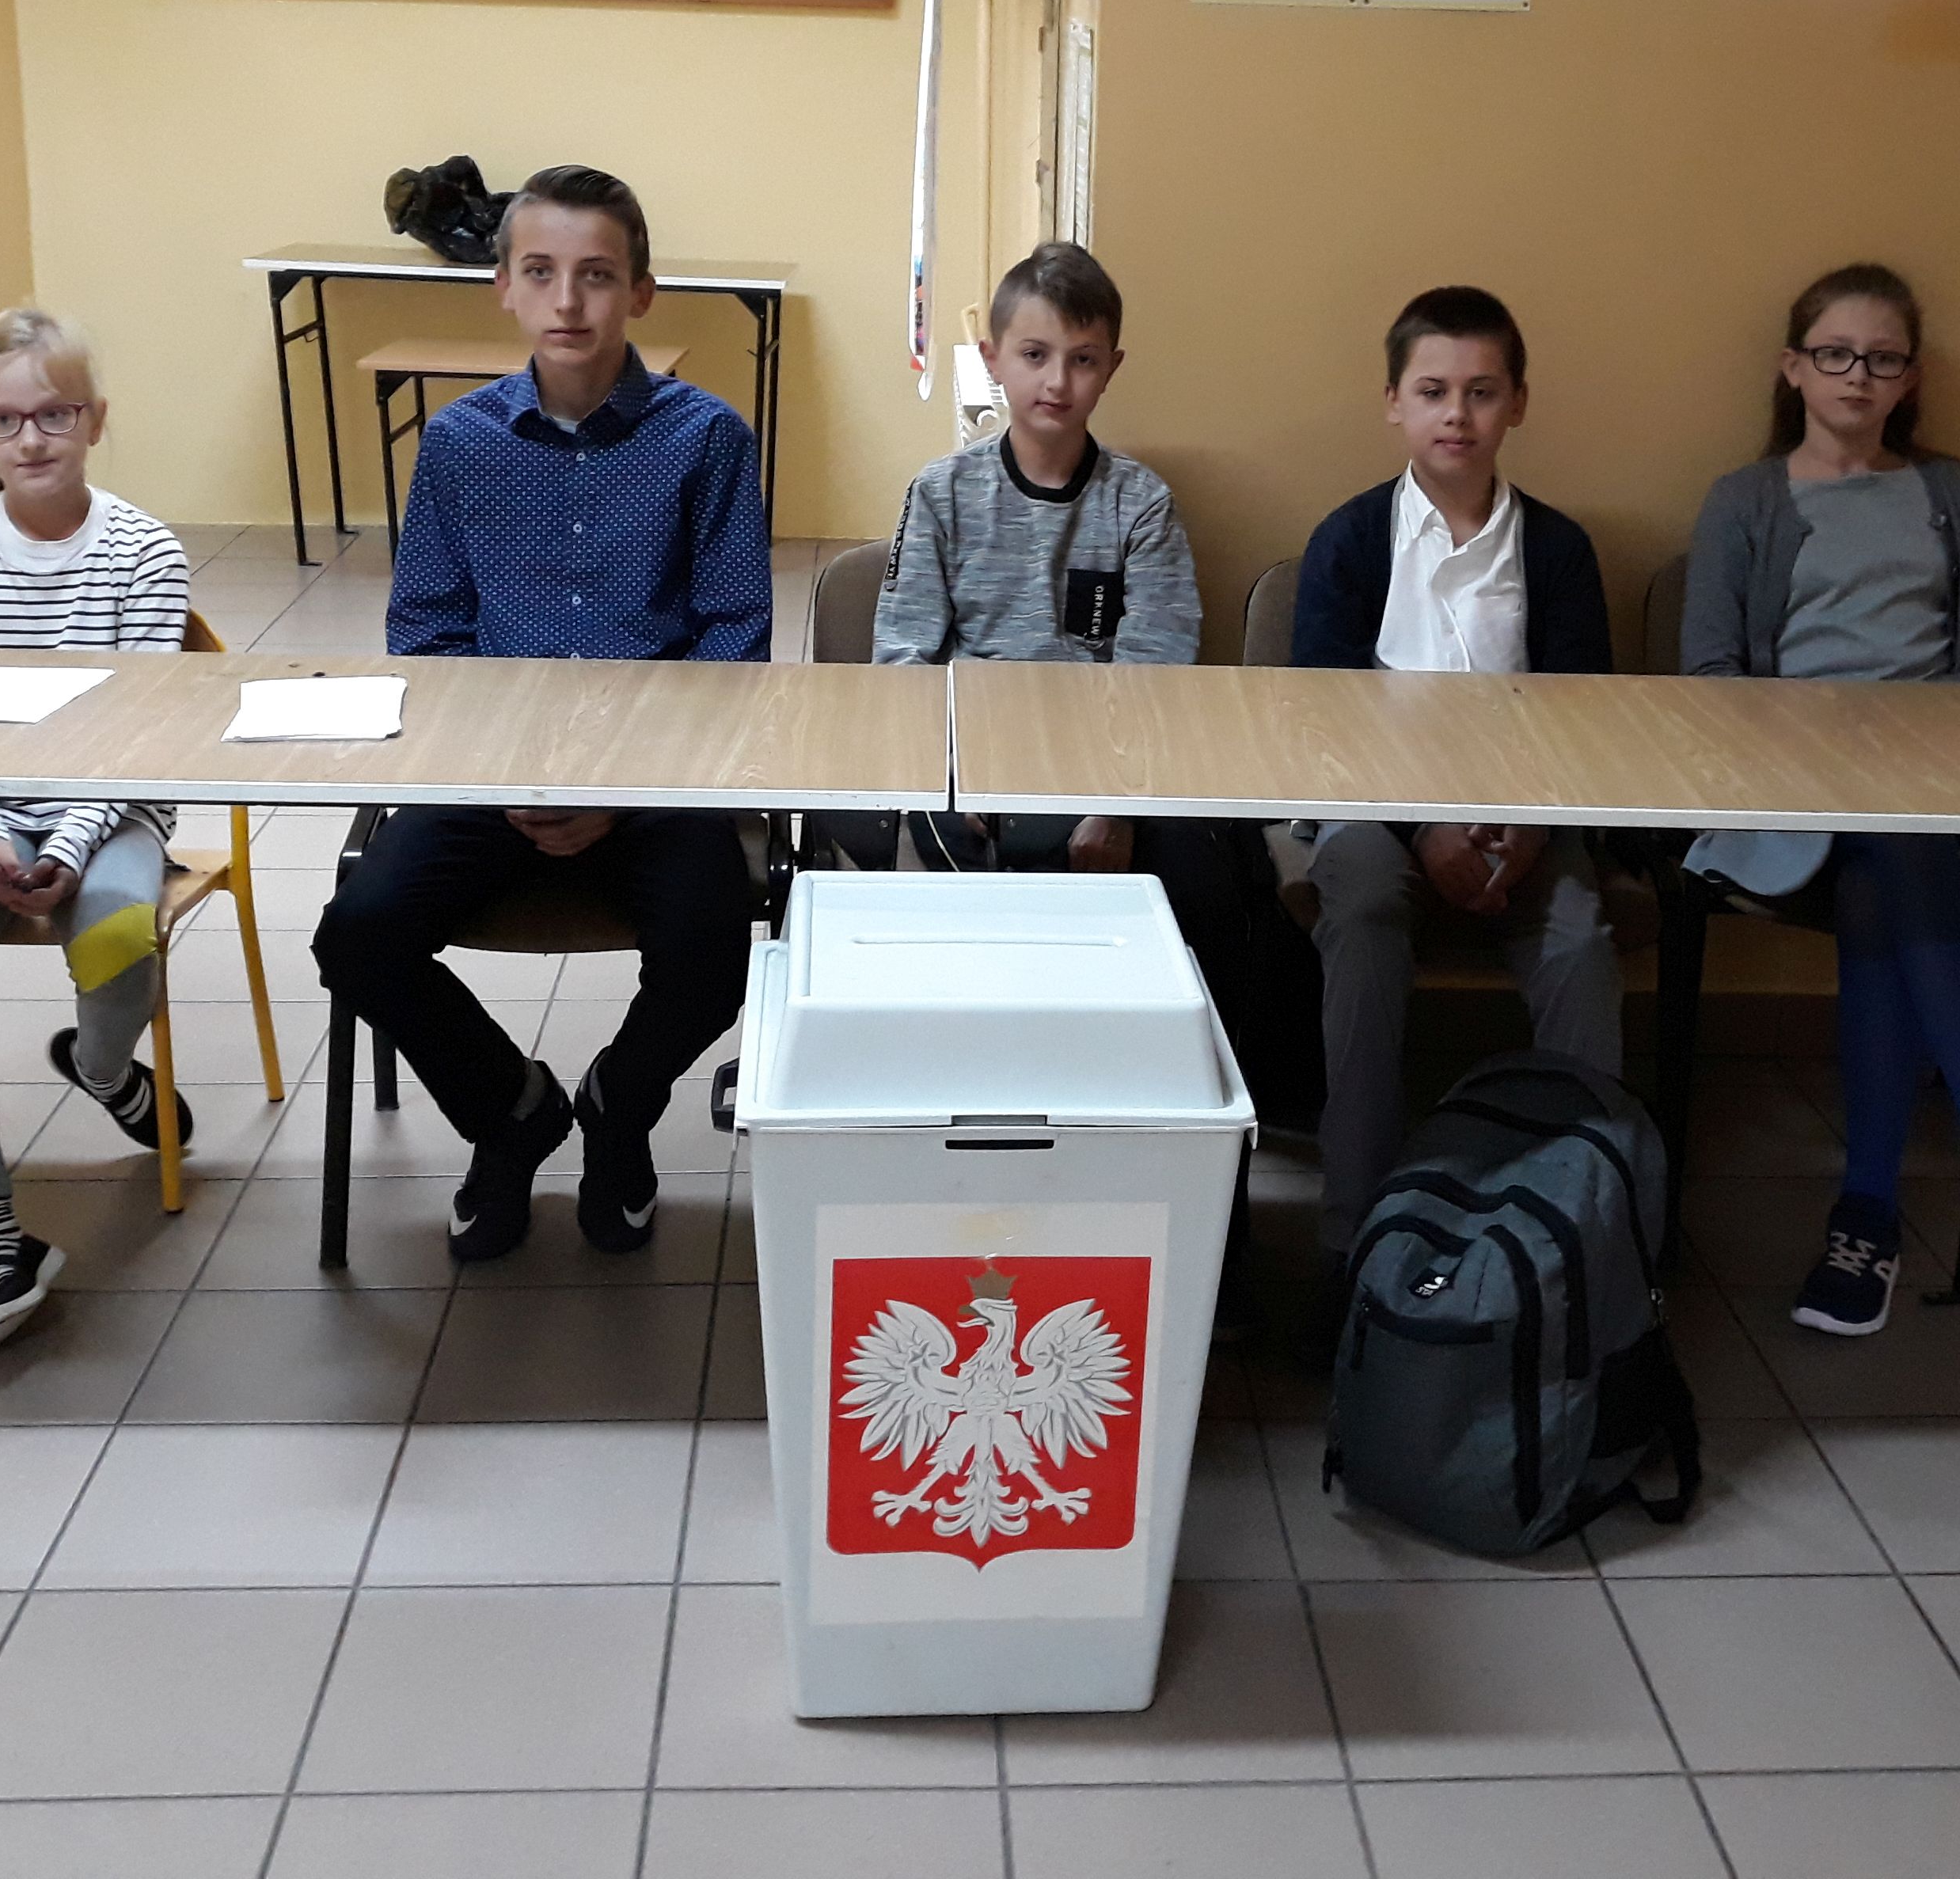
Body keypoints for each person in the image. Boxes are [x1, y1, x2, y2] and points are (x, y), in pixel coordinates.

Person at [312, 165, 766, 1262]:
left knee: (721, 941)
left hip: (652, 776)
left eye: (598, 275)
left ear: (641, 292)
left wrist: (617, 789)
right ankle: (511, 1112)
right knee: (358, 934)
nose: (569, 301)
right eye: (542, 273)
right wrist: (513, 776)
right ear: (503, 288)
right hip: (493, 772)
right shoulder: (460, 443)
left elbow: (733, 642)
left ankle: (619, 1105)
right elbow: (427, 632)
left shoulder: (707, 439)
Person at [1680, 260, 1960, 1338]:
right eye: (1836, 354)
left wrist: (1914, 728)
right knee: (1889, 853)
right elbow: (1708, 679)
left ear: (1910, 378)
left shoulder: (1956, 495)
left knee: (1888, 870)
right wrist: (1829, 732)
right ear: (1793, 368)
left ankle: (1867, 1220)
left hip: (1941, 783)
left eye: (1883, 358)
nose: (1858, 375)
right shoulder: (1745, 500)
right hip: (1792, 790)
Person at [863, 242, 1303, 1085]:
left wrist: (1112, 805)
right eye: (1034, 355)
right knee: (973, 878)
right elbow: (905, 660)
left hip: (1108, 763)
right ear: (993, 360)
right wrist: (958, 776)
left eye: (1083, 360)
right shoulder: (941, 493)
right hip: (976, 760)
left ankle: (1187, 1096)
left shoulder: (1140, 503)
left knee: (1210, 880)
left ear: (1112, 369)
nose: (1057, 382)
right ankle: (992, 1084)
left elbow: (1155, 672)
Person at [1292, 287, 1624, 1319]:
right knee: (1361, 905)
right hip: (1375, 812)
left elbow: (1582, 723)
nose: (1457, 415)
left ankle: (1581, 1242)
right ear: (1394, 401)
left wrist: (1525, 827)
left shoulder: (1556, 551)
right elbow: (1323, 725)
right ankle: (1352, 1234)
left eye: (1482, 392)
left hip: (1526, 815)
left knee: (1578, 939)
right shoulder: (1350, 541)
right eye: (1433, 391)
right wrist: (1420, 828)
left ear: (1517, 403)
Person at [0, 309, 193, 1350]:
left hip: (110, 800)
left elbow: (139, 730)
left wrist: (66, 846)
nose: (31, 440)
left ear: (95, 420)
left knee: (116, 933)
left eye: (55, 415)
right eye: (5, 420)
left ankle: (104, 1068)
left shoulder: (145, 549)